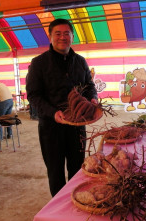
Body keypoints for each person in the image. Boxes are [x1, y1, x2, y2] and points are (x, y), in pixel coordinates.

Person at [26, 19, 98, 197]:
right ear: (50, 37)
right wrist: (53, 113)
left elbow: (89, 86)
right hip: (51, 128)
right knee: (55, 172)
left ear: (72, 37)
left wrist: (93, 98)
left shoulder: (81, 62)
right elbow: (33, 95)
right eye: (57, 33)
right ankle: (59, 213)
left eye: (67, 33)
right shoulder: (38, 63)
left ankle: (77, 202)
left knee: (77, 169)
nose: (62, 37)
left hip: (77, 126)